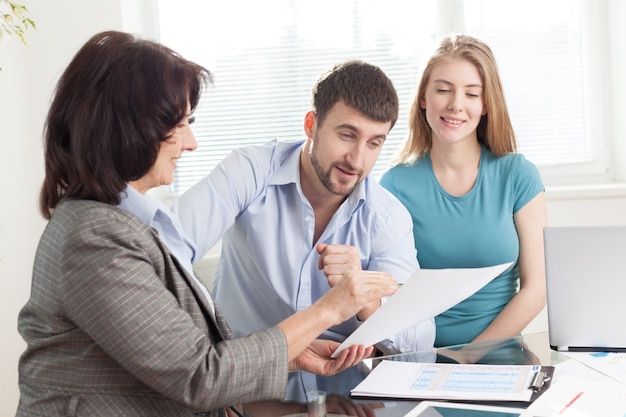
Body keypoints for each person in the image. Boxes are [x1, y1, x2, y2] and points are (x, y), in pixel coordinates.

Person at [16, 31, 401, 417]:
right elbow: (200, 375)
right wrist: (330, 310)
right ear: (129, 127)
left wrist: (291, 354)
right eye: (180, 124)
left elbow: (177, 354)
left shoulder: (118, 224)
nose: (192, 142)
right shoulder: (95, 238)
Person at [173, 60, 436, 400]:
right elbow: (168, 249)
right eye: (347, 135)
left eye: (374, 143)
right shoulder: (250, 172)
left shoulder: (387, 216)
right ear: (311, 125)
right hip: (248, 397)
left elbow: (421, 337)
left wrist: (366, 300)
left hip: (348, 402)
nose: (357, 160)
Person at [379, 34, 547, 350]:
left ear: (485, 105)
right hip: (418, 357)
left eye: (472, 93)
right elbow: (386, 294)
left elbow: (537, 289)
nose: (456, 104)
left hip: (500, 354)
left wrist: (471, 355)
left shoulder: (518, 175)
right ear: (424, 97)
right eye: (443, 90)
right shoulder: (394, 185)